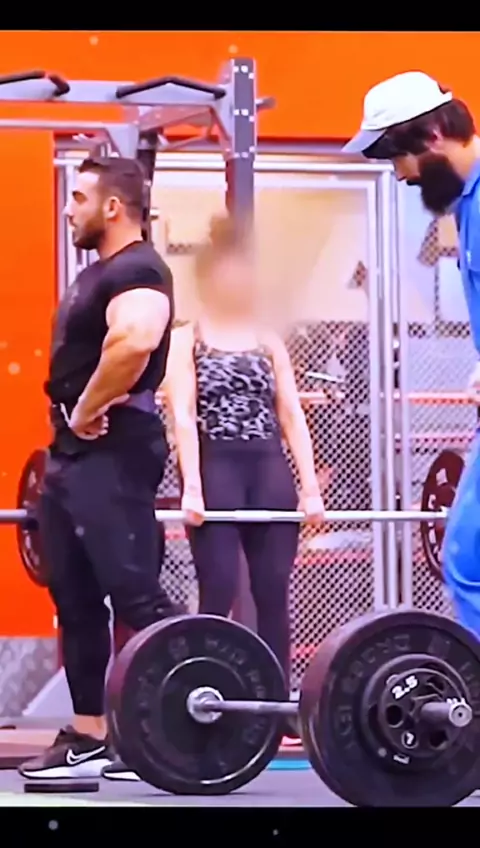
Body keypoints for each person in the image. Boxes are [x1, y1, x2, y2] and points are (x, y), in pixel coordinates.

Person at [19, 156, 177, 782]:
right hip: (72, 452)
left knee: (135, 592)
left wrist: (85, 408)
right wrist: (72, 422)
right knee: (77, 597)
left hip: (113, 446)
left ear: (113, 207)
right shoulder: (100, 273)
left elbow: (135, 340)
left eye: (79, 198)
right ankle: (90, 735)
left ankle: (174, 730)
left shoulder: (139, 269)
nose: (68, 209)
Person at [163, 215, 325, 709]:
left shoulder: (267, 339)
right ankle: (205, 698)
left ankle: (276, 703)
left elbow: (291, 414)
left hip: (268, 469)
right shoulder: (186, 339)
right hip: (218, 470)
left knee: (272, 590)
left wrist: (310, 487)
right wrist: (192, 485)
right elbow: (183, 415)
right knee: (218, 589)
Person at [343, 71, 480, 638]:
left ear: (432, 137)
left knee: (468, 563)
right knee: (466, 560)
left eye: (396, 156)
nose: (399, 174)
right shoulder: (467, 205)